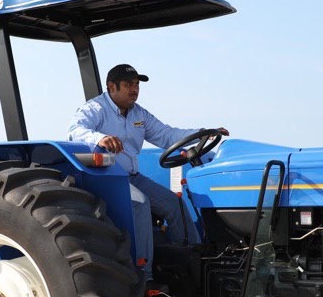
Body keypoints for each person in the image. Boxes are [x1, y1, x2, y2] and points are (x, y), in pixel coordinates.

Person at [68, 63, 228, 282]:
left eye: (136, 85)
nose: (134, 89)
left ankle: (193, 262)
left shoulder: (139, 114)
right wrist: (99, 138)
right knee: (140, 203)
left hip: (133, 177)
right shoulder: (95, 109)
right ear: (111, 87)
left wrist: (202, 133)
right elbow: (75, 131)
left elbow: (167, 135)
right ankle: (145, 275)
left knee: (175, 204)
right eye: (128, 85)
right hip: (106, 178)